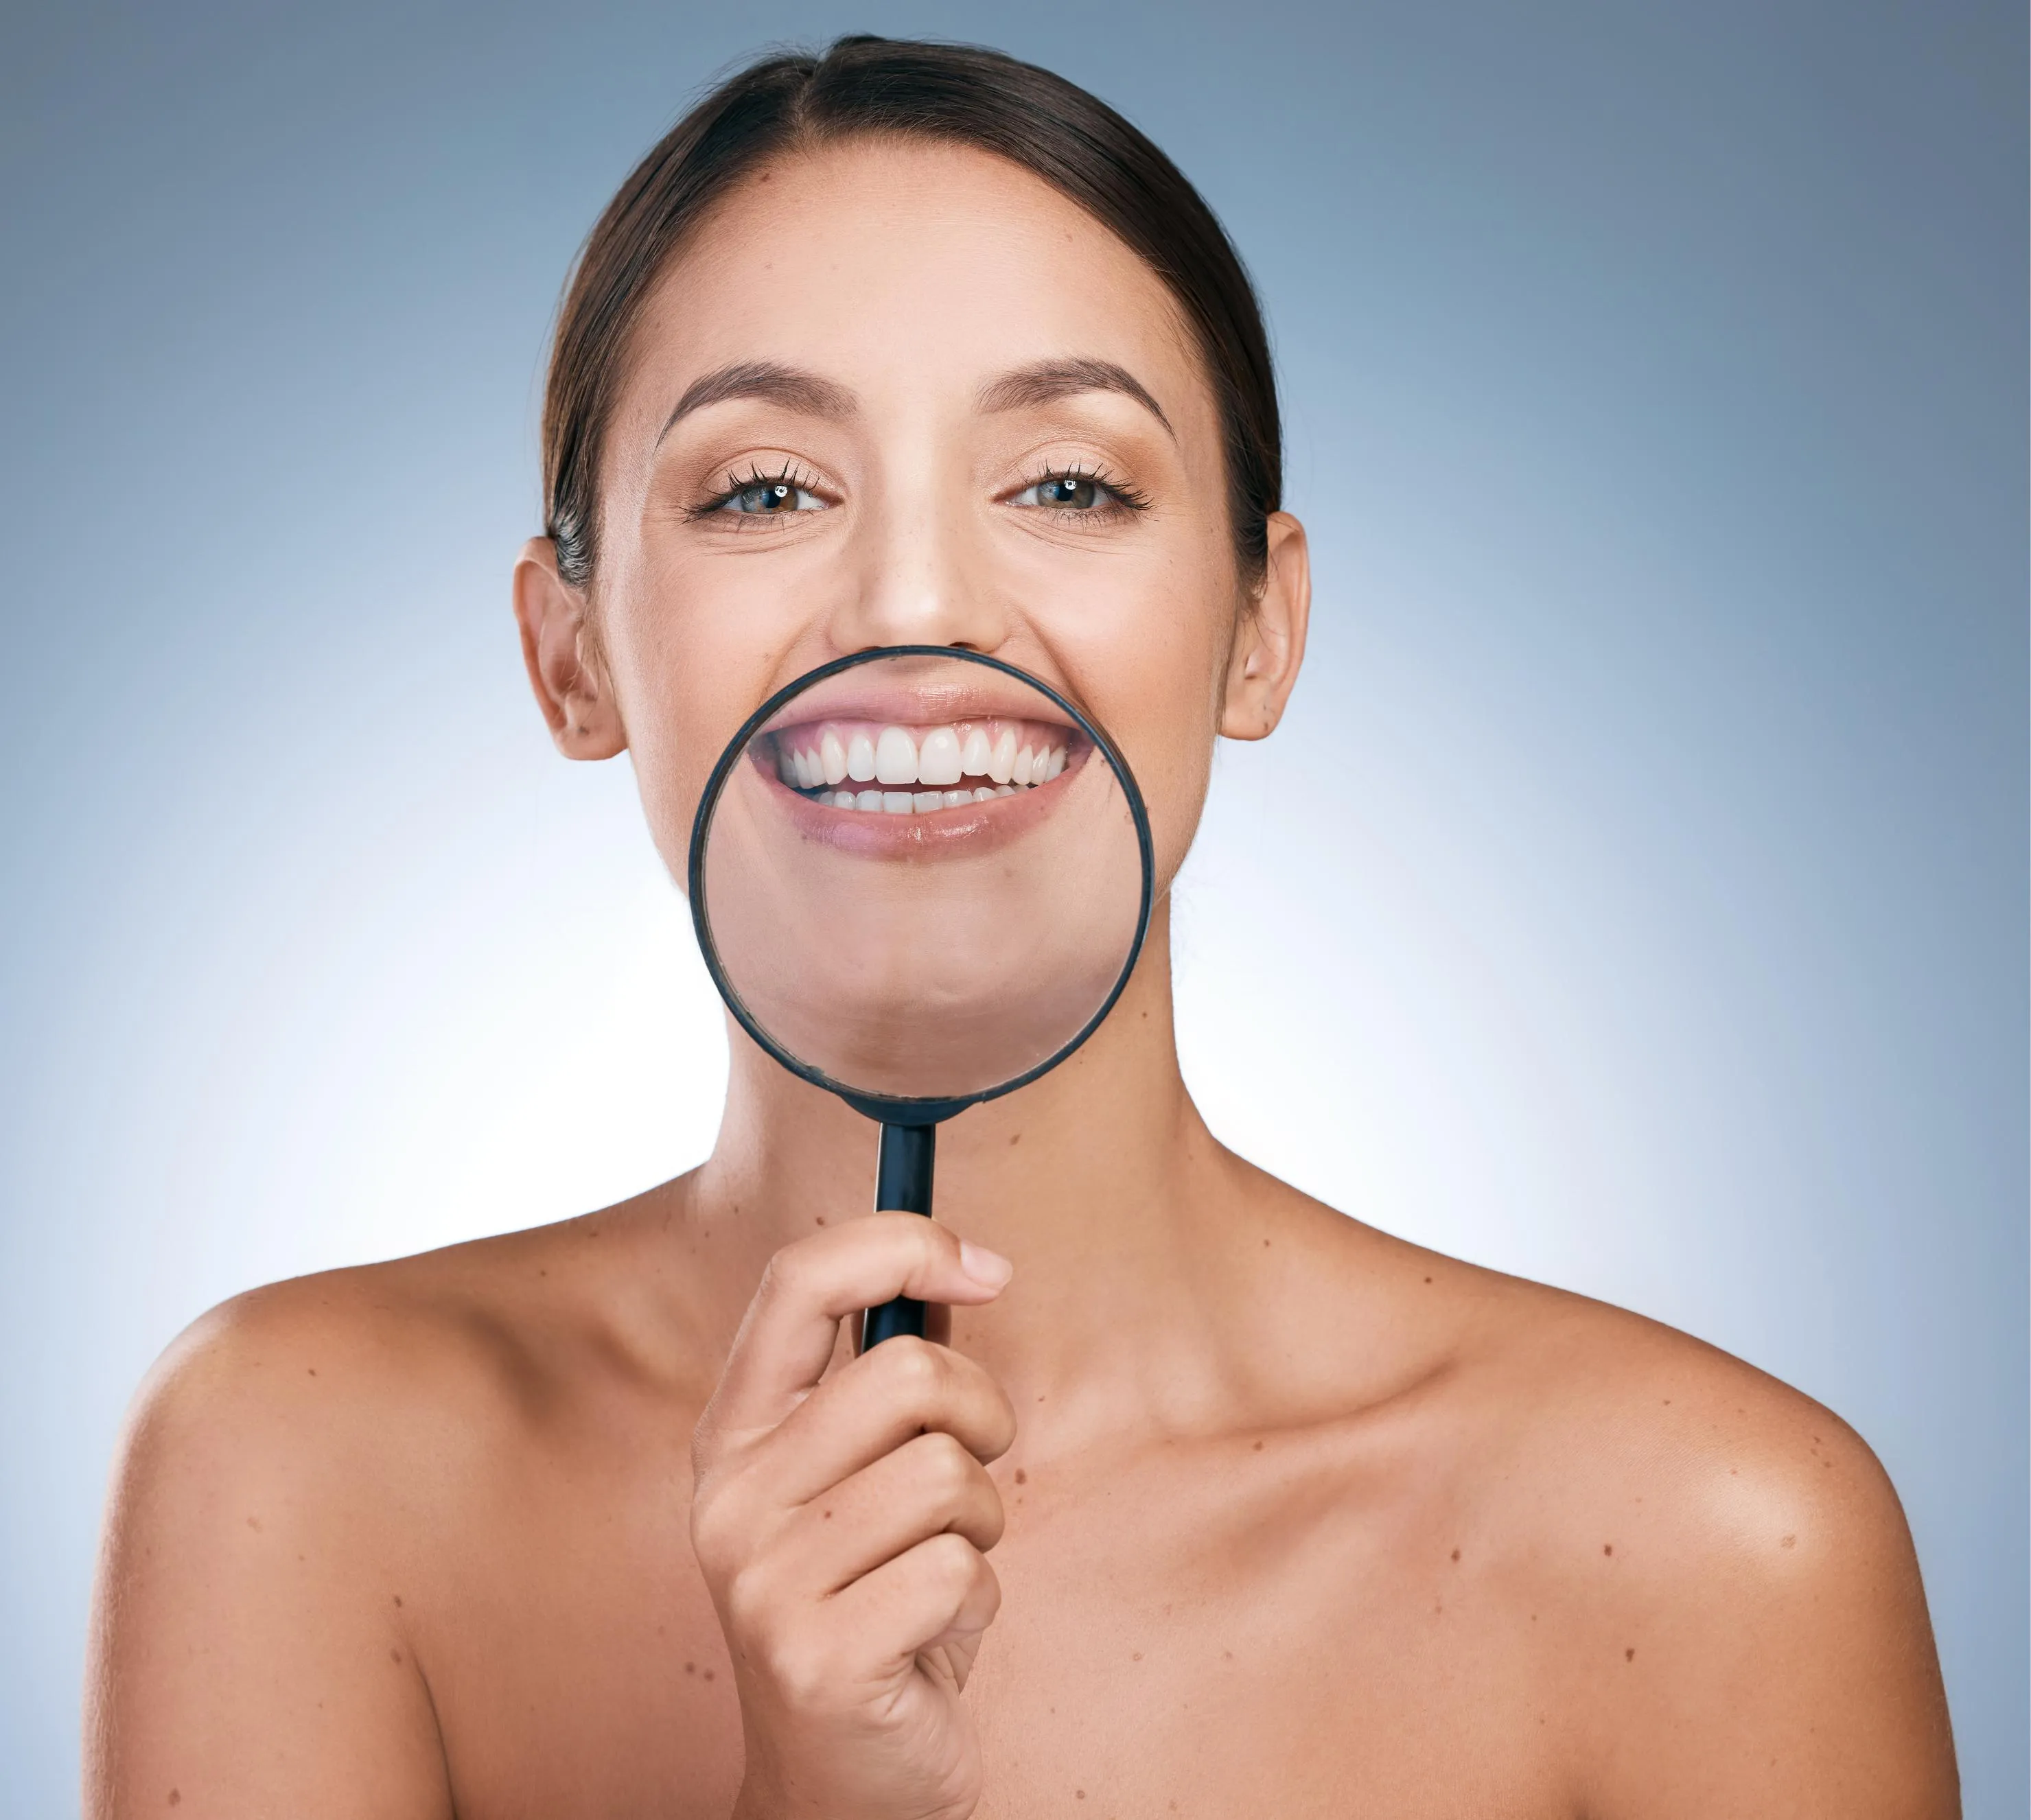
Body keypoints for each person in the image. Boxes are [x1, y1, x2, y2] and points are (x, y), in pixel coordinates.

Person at [85, 36, 1958, 1819]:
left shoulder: (1718, 1540)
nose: (914, 598)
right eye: (761, 490)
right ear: (566, 653)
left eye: (1067, 481)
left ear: (1258, 624)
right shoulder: (296, 1469)